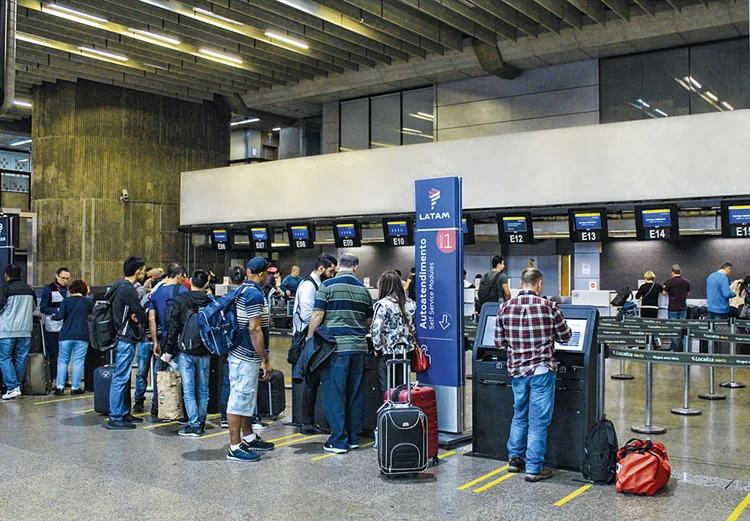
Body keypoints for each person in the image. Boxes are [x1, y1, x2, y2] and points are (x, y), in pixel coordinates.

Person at [494, 268, 572, 482]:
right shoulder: (549, 307)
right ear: (540, 284)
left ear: (521, 283)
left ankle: (514, 459)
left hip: (517, 371)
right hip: (541, 370)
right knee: (538, 421)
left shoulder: (504, 308)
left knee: (519, 415)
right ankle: (534, 468)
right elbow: (566, 336)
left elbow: (499, 343)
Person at [307, 253, 373, 454]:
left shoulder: (327, 286)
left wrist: (310, 338)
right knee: (355, 394)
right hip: (359, 349)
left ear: (338, 267)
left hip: (336, 349)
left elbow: (318, 314)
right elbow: (368, 322)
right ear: (355, 268)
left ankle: (338, 440)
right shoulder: (364, 291)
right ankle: (353, 438)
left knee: (335, 394)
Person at [225, 260, 275, 462]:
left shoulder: (241, 290)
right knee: (239, 399)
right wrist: (265, 360)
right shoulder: (254, 294)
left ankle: (248, 437)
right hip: (246, 354)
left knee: (246, 398)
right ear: (262, 274)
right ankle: (235, 447)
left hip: (239, 352)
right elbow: (254, 330)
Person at [292, 253, 338, 435]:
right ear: (321, 269)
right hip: (307, 338)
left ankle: (309, 422)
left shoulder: (317, 285)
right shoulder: (309, 287)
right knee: (310, 382)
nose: (332, 274)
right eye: (331, 271)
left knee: (312, 382)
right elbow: (307, 315)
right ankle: (307, 422)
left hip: (312, 337)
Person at [165, 269, 213, 437]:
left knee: (189, 389)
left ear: (191, 282)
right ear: (206, 284)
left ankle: (193, 424)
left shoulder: (181, 300)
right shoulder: (210, 302)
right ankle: (201, 421)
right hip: (205, 350)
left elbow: (174, 327)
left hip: (185, 350)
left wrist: (168, 349)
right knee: (204, 389)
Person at [106, 257, 148, 430]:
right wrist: (142, 317)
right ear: (137, 271)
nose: (144, 273)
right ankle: (115, 416)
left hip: (120, 335)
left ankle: (124, 412)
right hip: (125, 337)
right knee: (120, 377)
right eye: (143, 270)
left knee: (123, 376)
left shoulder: (117, 287)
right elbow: (139, 311)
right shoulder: (128, 290)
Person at [146, 263, 189, 417]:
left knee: (160, 372)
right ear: (178, 275)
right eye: (183, 276)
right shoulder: (183, 290)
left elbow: (151, 319)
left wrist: (155, 342)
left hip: (163, 338)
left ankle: (157, 404)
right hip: (180, 338)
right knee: (183, 372)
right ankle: (181, 405)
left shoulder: (156, 293)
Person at [370, 270, 415, 397]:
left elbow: (376, 329)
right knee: (404, 388)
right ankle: (403, 411)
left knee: (388, 390)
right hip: (406, 352)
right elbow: (414, 328)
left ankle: (390, 411)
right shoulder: (411, 304)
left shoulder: (383, 304)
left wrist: (377, 347)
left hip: (388, 352)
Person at [0, 264, 37, 400]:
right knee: (21, 358)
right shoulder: (29, 289)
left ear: (6, 275)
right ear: (21, 275)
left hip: (7, 330)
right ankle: (18, 386)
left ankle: (12, 387)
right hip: (26, 330)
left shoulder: (5, 288)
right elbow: (33, 307)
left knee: (5, 358)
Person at [51, 280, 94, 395]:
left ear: (71, 289)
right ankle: (75, 388)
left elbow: (59, 316)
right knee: (78, 361)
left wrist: (52, 317)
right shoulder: (89, 302)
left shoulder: (66, 301)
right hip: (82, 335)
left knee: (63, 361)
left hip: (66, 335)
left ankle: (60, 387)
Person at [39, 267, 70, 384]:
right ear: (57, 276)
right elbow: (43, 307)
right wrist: (58, 310)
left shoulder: (66, 289)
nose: (65, 281)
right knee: (53, 353)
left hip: (64, 325)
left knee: (64, 353)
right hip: (52, 325)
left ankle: (65, 377)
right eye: (63, 278)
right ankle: (52, 377)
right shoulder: (48, 289)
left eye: (67, 278)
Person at [662, 265, 691, 351]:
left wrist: (665, 287)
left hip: (673, 308)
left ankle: (675, 348)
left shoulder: (669, 282)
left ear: (672, 272)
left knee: (673, 328)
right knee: (682, 328)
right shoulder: (686, 282)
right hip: (683, 308)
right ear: (680, 272)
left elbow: (664, 293)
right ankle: (682, 347)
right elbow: (688, 294)